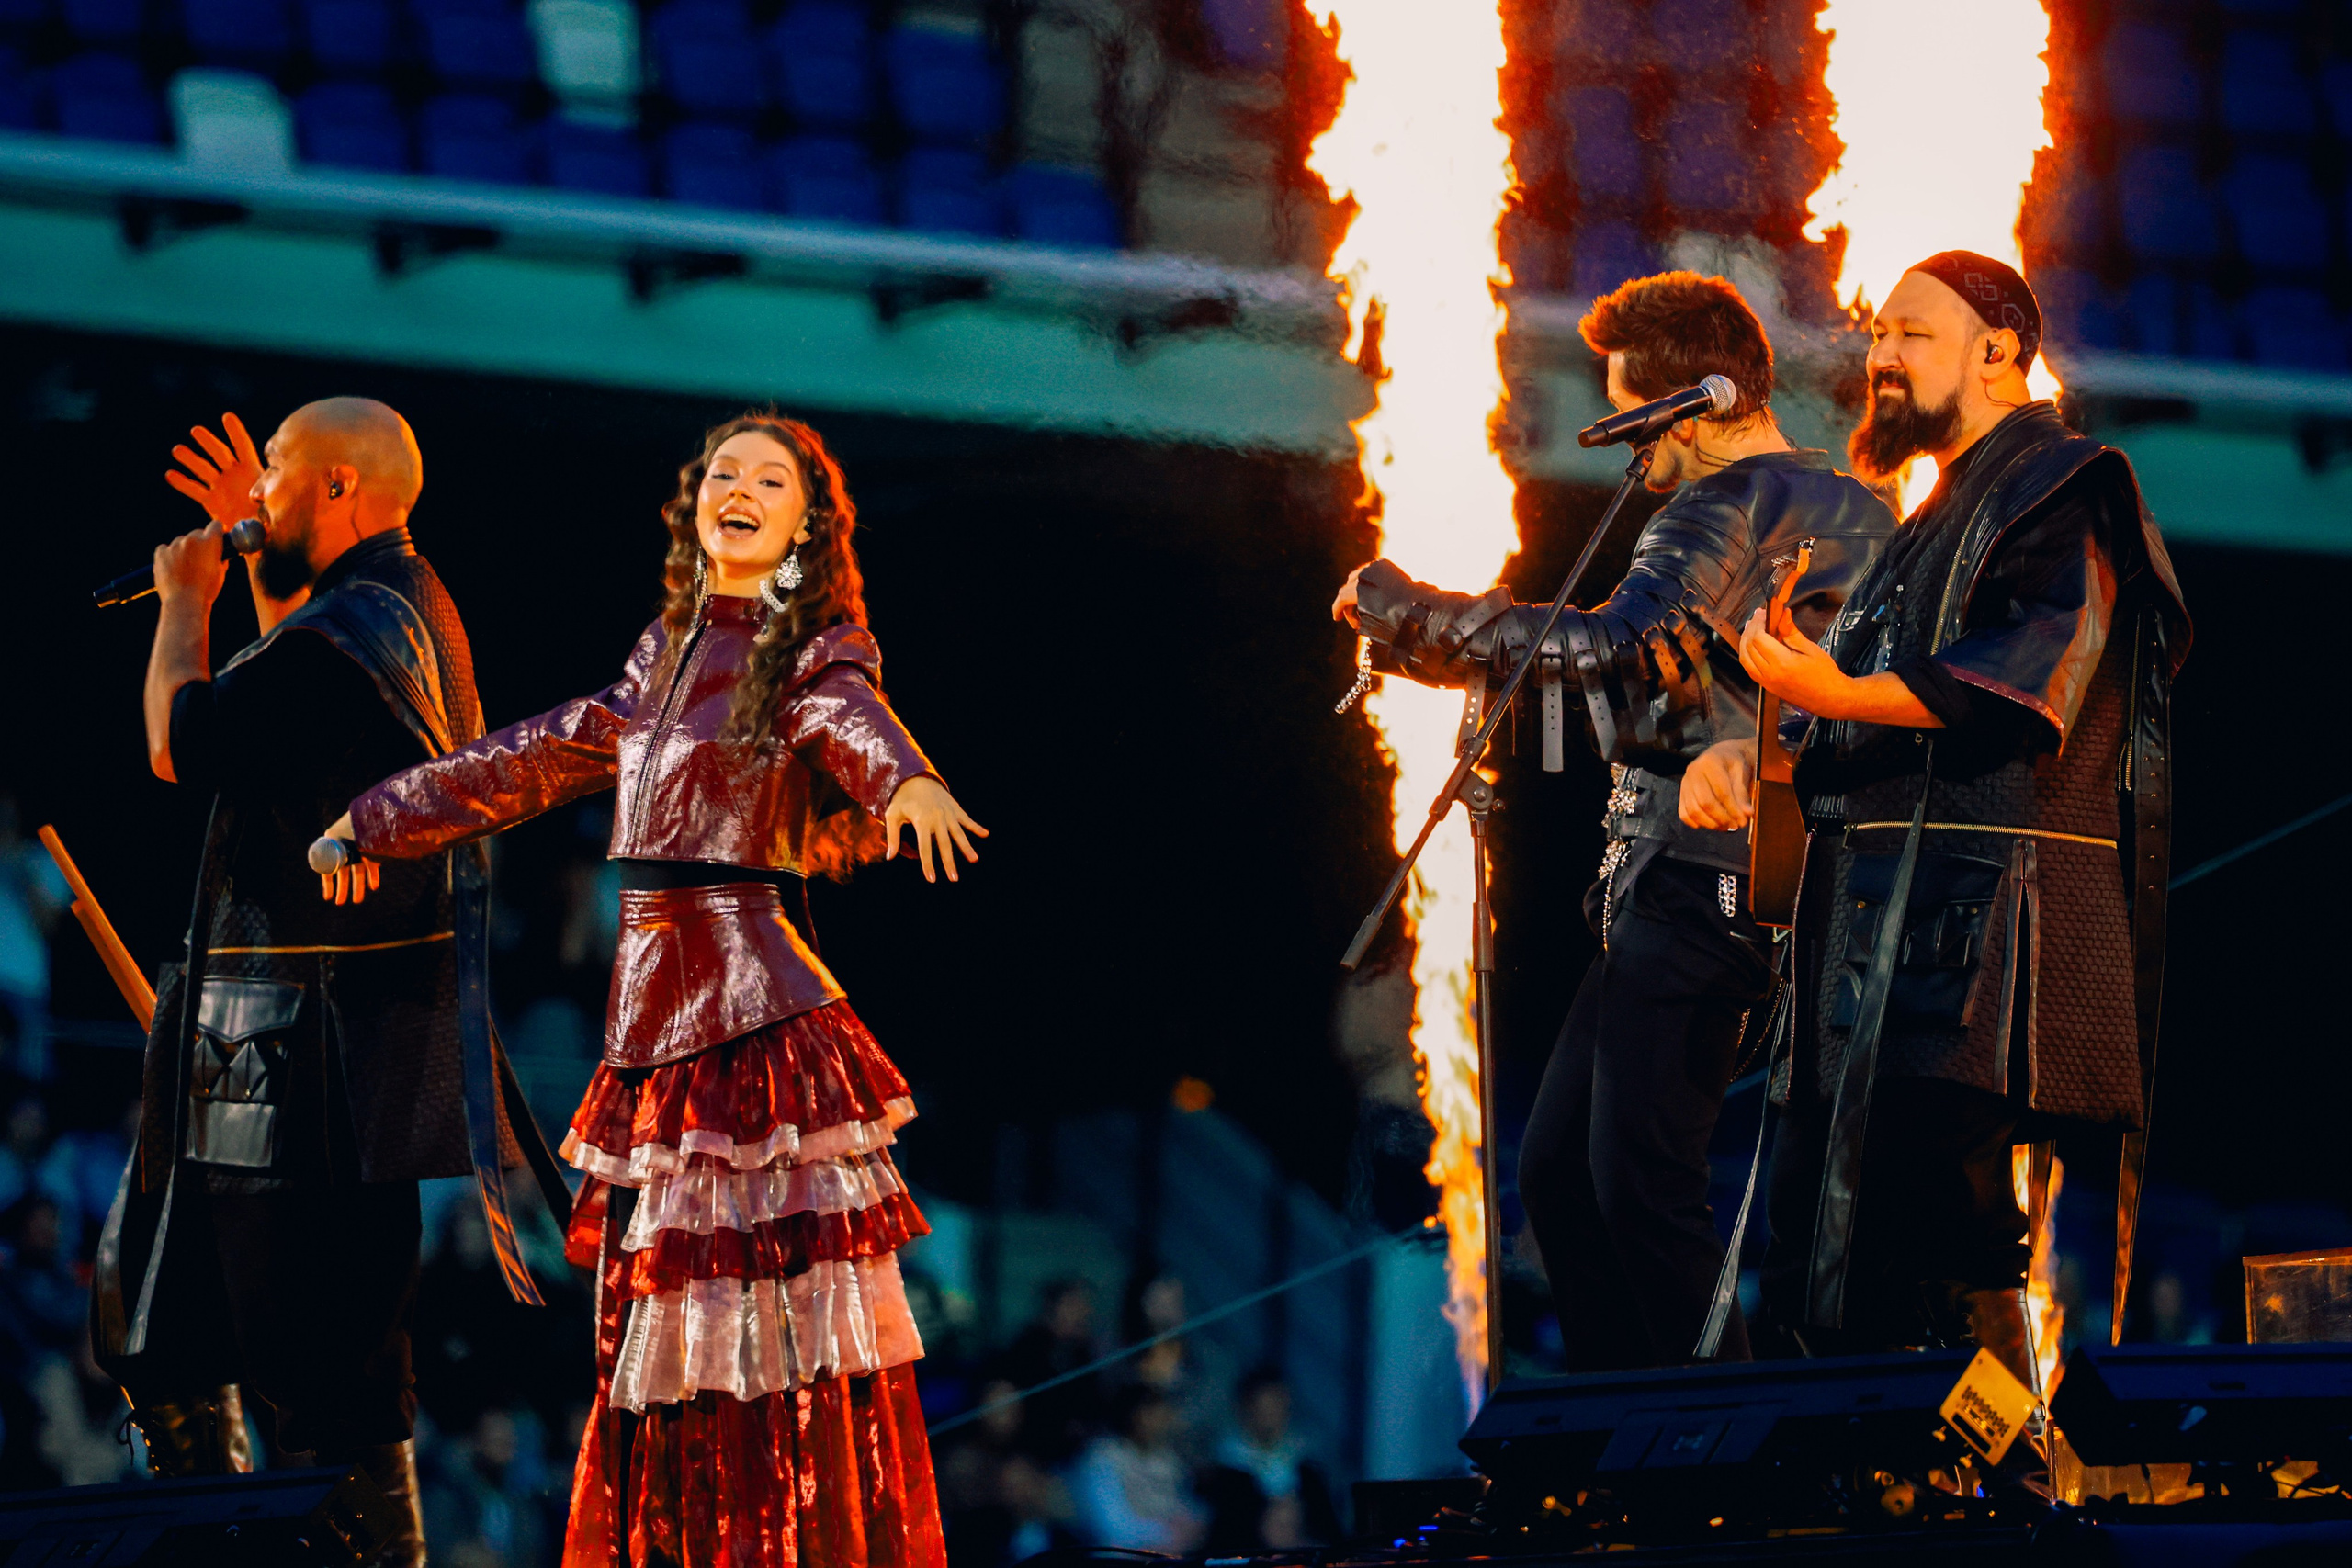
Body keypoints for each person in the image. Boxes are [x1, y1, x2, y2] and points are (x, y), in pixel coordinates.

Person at [321, 412, 983, 1567]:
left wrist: (907, 780)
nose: (737, 487)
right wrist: (380, 817)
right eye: (722, 471)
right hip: (655, 1027)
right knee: (663, 1342)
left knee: (758, 1348)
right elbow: (536, 752)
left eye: (768, 479)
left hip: (751, 1023)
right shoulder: (665, 649)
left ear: (805, 525)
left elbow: (846, 713)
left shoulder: (806, 641)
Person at [1333, 272, 1894, 1369]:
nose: (1641, 454)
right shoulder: (1843, 508)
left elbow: (1606, 648)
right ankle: (1626, 1418)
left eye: (1643, 418)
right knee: (1562, 1174)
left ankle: (1721, 1441)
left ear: (1704, 399)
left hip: (1700, 880)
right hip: (1708, 884)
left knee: (1638, 1182)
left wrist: (1408, 617)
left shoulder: (1727, 503)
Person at [1682, 253, 2190, 1382]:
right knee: (1837, 1234)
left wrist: (1829, 695)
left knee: (1944, 1230)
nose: (1881, 355)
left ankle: (1991, 1491)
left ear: (1998, 348)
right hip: (1873, 941)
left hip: (1979, 937)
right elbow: (1855, 715)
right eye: (1876, 336)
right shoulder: (1932, 516)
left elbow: (2022, 678)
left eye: (1912, 332)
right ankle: (1870, 1491)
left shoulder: (2067, 482)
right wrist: (1758, 745)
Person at [112, 400, 560, 1562]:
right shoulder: (391, 616)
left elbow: (188, 741)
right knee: (183, 1331)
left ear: (340, 489)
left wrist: (182, 602)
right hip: (294, 1057)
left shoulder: (352, 640)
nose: (254, 491)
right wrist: (249, 555)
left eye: (273, 471)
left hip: (299, 1071)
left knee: (317, 1370)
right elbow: (278, 691)